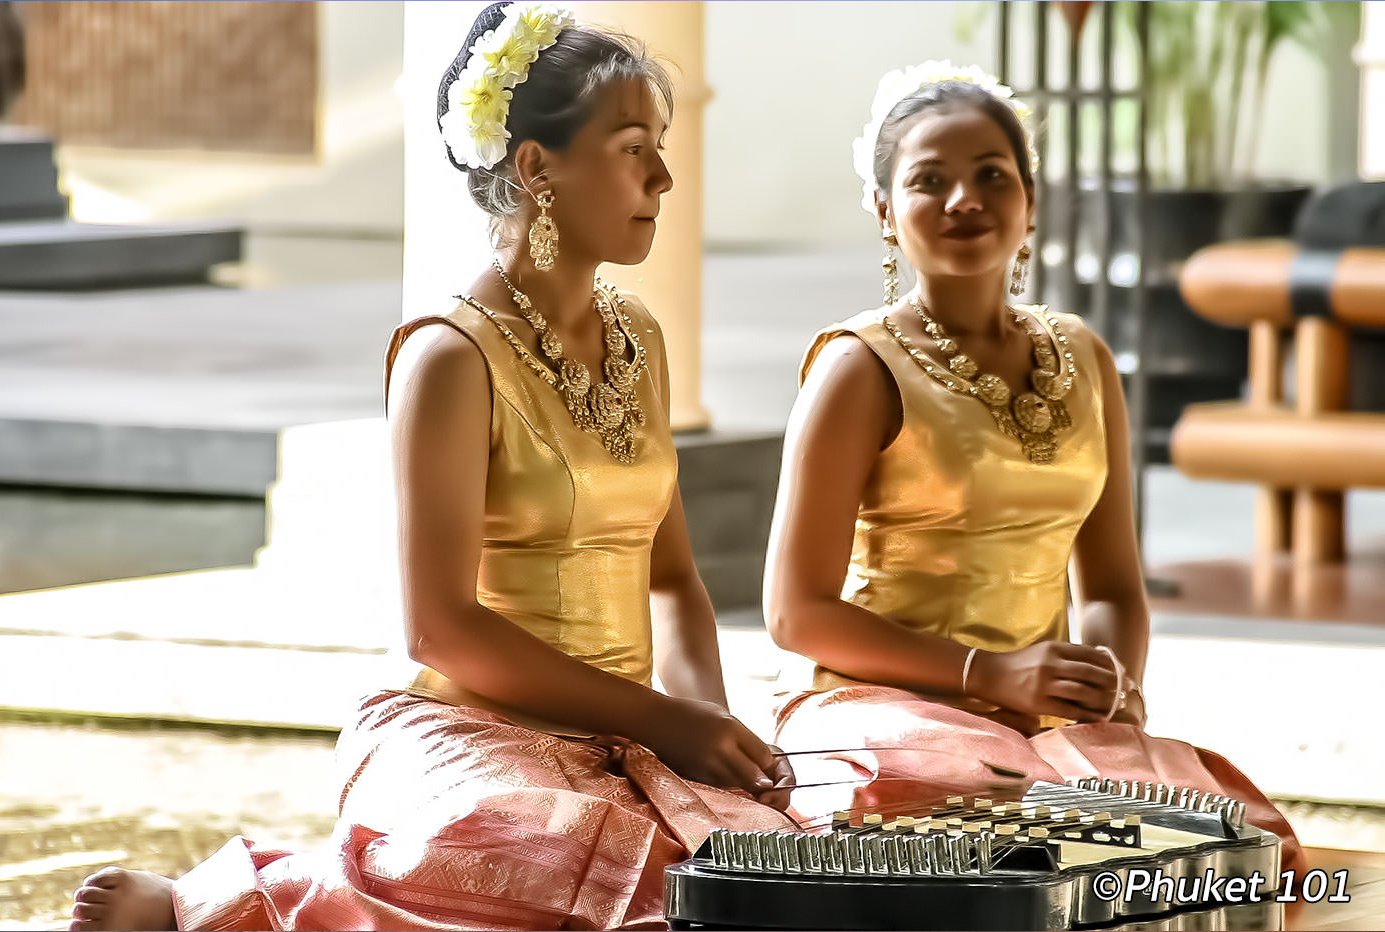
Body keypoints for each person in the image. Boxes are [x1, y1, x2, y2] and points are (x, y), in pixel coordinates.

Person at [67, 5, 791, 930]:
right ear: (538, 168)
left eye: (660, 146)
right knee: (549, 861)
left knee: (749, 871)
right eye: (632, 147)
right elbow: (441, 631)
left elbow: (676, 581)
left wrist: (709, 740)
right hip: (472, 731)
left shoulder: (640, 342)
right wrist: (666, 723)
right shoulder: (450, 355)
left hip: (631, 738)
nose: (664, 174)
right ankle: (222, 902)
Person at [762, 61, 1302, 871]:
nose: (963, 200)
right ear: (883, 211)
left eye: (991, 175)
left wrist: (1116, 701)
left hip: (1042, 716)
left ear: (1032, 202)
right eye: (928, 180)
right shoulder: (858, 368)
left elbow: (1114, 589)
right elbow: (795, 613)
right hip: (880, 717)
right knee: (988, 841)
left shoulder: (1084, 357)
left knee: (1230, 846)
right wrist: (990, 673)